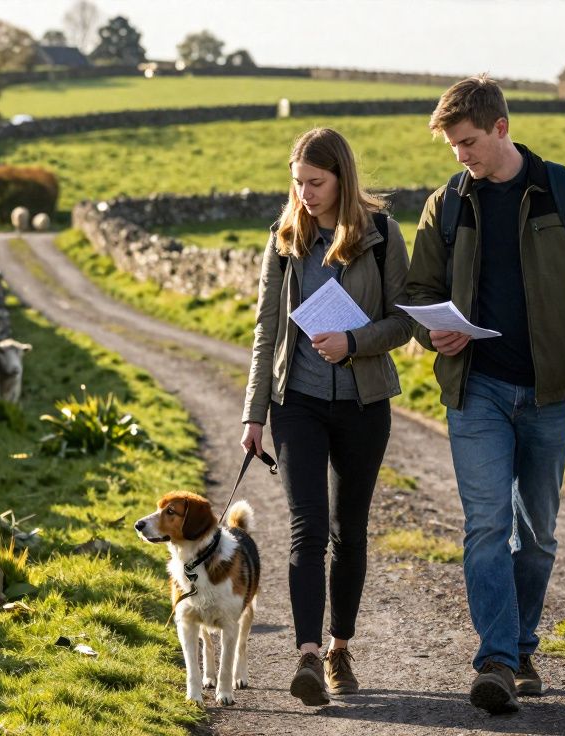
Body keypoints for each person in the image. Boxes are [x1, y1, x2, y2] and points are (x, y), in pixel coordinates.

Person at [404, 74, 565, 715]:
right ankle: (497, 661)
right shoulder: (445, 206)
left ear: (500, 127)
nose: (461, 156)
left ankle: (522, 646)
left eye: (468, 142)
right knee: (486, 527)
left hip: (550, 393)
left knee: (537, 536)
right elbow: (418, 293)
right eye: (453, 146)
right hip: (476, 390)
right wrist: (433, 334)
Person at [240, 127, 414, 706]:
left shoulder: (383, 235)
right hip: (297, 405)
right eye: (297, 183)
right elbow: (266, 330)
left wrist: (353, 342)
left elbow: (404, 322)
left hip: (365, 406)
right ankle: (308, 656)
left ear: (342, 177)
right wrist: (253, 415)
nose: (305, 194)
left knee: (349, 530)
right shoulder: (284, 238)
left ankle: (340, 648)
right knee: (307, 528)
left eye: (315, 183)